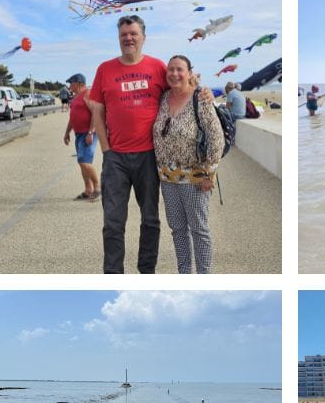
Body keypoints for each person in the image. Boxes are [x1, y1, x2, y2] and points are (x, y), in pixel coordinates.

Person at [88, 14, 168, 274]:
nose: (128, 38)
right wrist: (106, 149)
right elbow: (97, 110)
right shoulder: (105, 69)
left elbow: (178, 94)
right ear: (118, 38)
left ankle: (147, 271)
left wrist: (201, 92)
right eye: (124, 35)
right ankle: (113, 274)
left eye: (133, 34)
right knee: (112, 222)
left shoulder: (158, 67)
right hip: (116, 158)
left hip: (149, 156)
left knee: (151, 219)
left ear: (143, 37)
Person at [152, 55, 224, 274]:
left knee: (199, 230)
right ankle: (184, 272)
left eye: (180, 69)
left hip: (195, 177)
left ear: (190, 72)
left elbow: (216, 138)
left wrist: (208, 174)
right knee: (177, 229)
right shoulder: (163, 98)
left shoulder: (200, 99)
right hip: (167, 178)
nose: (174, 74)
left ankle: (203, 274)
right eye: (170, 70)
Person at [62, 72, 99, 201]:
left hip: (88, 133)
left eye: (71, 83)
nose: (69, 86)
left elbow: (95, 112)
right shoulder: (75, 98)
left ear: (78, 84)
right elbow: (72, 118)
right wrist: (67, 132)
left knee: (84, 161)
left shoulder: (87, 94)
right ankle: (88, 190)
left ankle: (98, 188)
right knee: (82, 162)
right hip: (79, 134)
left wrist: (91, 132)